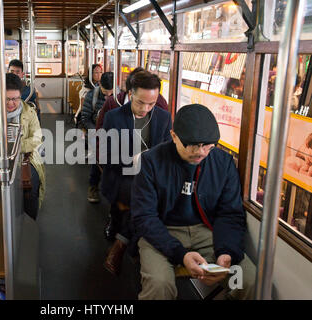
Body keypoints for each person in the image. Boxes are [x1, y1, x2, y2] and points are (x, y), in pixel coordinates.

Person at [130, 103, 256, 300]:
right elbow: (144, 217)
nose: (201, 152)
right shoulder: (151, 162)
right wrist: (181, 255)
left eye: (208, 146)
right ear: (173, 136)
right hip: (162, 230)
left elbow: (230, 213)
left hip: (207, 230)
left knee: (249, 281)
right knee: (159, 285)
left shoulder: (223, 163)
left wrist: (226, 252)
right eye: (193, 145)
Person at [101, 71, 172, 275]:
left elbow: (167, 153)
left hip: (151, 179)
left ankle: (121, 243)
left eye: (151, 104)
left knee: (144, 197)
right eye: (140, 102)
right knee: (140, 198)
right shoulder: (113, 117)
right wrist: (133, 160)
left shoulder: (164, 118)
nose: (145, 109)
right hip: (121, 176)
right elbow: (106, 155)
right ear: (130, 94)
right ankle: (129, 246)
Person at [0, 73, 45, 220]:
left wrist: (15, 147)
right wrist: (0, 146)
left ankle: (28, 221)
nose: (11, 103)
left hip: (25, 157)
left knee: (31, 187)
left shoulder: (29, 112)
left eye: (15, 99)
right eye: (6, 99)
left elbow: (37, 138)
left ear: (20, 96)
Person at [81, 72, 114, 203]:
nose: (107, 98)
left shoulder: (120, 97)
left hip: (115, 132)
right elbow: (85, 118)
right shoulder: (92, 96)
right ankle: (93, 186)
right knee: (98, 156)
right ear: (100, 85)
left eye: (110, 95)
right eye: (105, 94)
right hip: (95, 130)